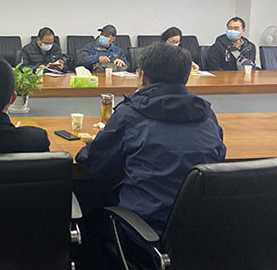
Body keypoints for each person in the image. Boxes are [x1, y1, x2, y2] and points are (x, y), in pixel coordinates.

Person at [76, 43, 226, 237]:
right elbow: (219, 155)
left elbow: (92, 163)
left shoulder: (131, 114)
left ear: (143, 77)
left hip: (145, 232)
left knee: (90, 206)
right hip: (200, 232)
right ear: (186, 77)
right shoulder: (206, 114)